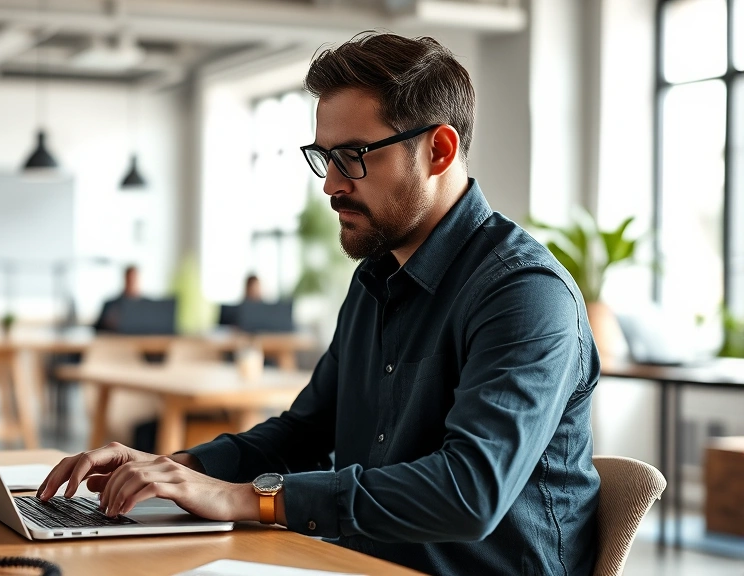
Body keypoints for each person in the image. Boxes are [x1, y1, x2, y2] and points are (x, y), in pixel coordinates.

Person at [37, 33, 600, 576]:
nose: (330, 184)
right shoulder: (375, 280)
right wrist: (175, 470)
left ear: (439, 150)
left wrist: (245, 499)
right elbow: (303, 434)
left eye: (353, 156)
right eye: (324, 157)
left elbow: (468, 492)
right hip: (353, 563)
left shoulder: (524, 294)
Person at [94, 265, 141, 332]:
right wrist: (108, 324)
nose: (132, 283)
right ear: (125, 279)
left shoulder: (148, 307)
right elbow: (97, 329)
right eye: (130, 279)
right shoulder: (111, 305)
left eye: (134, 279)